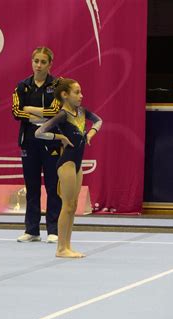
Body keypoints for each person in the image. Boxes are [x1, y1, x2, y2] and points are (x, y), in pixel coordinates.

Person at [35, 78, 102, 258]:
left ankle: (68, 245)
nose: (81, 95)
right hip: (67, 162)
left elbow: (99, 121)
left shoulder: (81, 112)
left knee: (72, 205)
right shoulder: (62, 115)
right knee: (67, 204)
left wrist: (91, 133)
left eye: (81, 92)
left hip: (77, 163)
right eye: (77, 92)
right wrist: (60, 138)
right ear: (65, 95)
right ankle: (61, 248)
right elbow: (39, 132)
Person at [12, 47, 62, 243]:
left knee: (52, 186)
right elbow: (16, 112)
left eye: (43, 62)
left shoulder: (58, 85)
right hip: (29, 140)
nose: (39, 65)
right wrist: (40, 112)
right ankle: (32, 230)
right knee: (31, 186)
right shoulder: (22, 86)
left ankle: (53, 229)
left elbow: (56, 111)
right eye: (36, 61)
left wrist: (31, 109)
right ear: (32, 62)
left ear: (50, 64)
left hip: (50, 139)